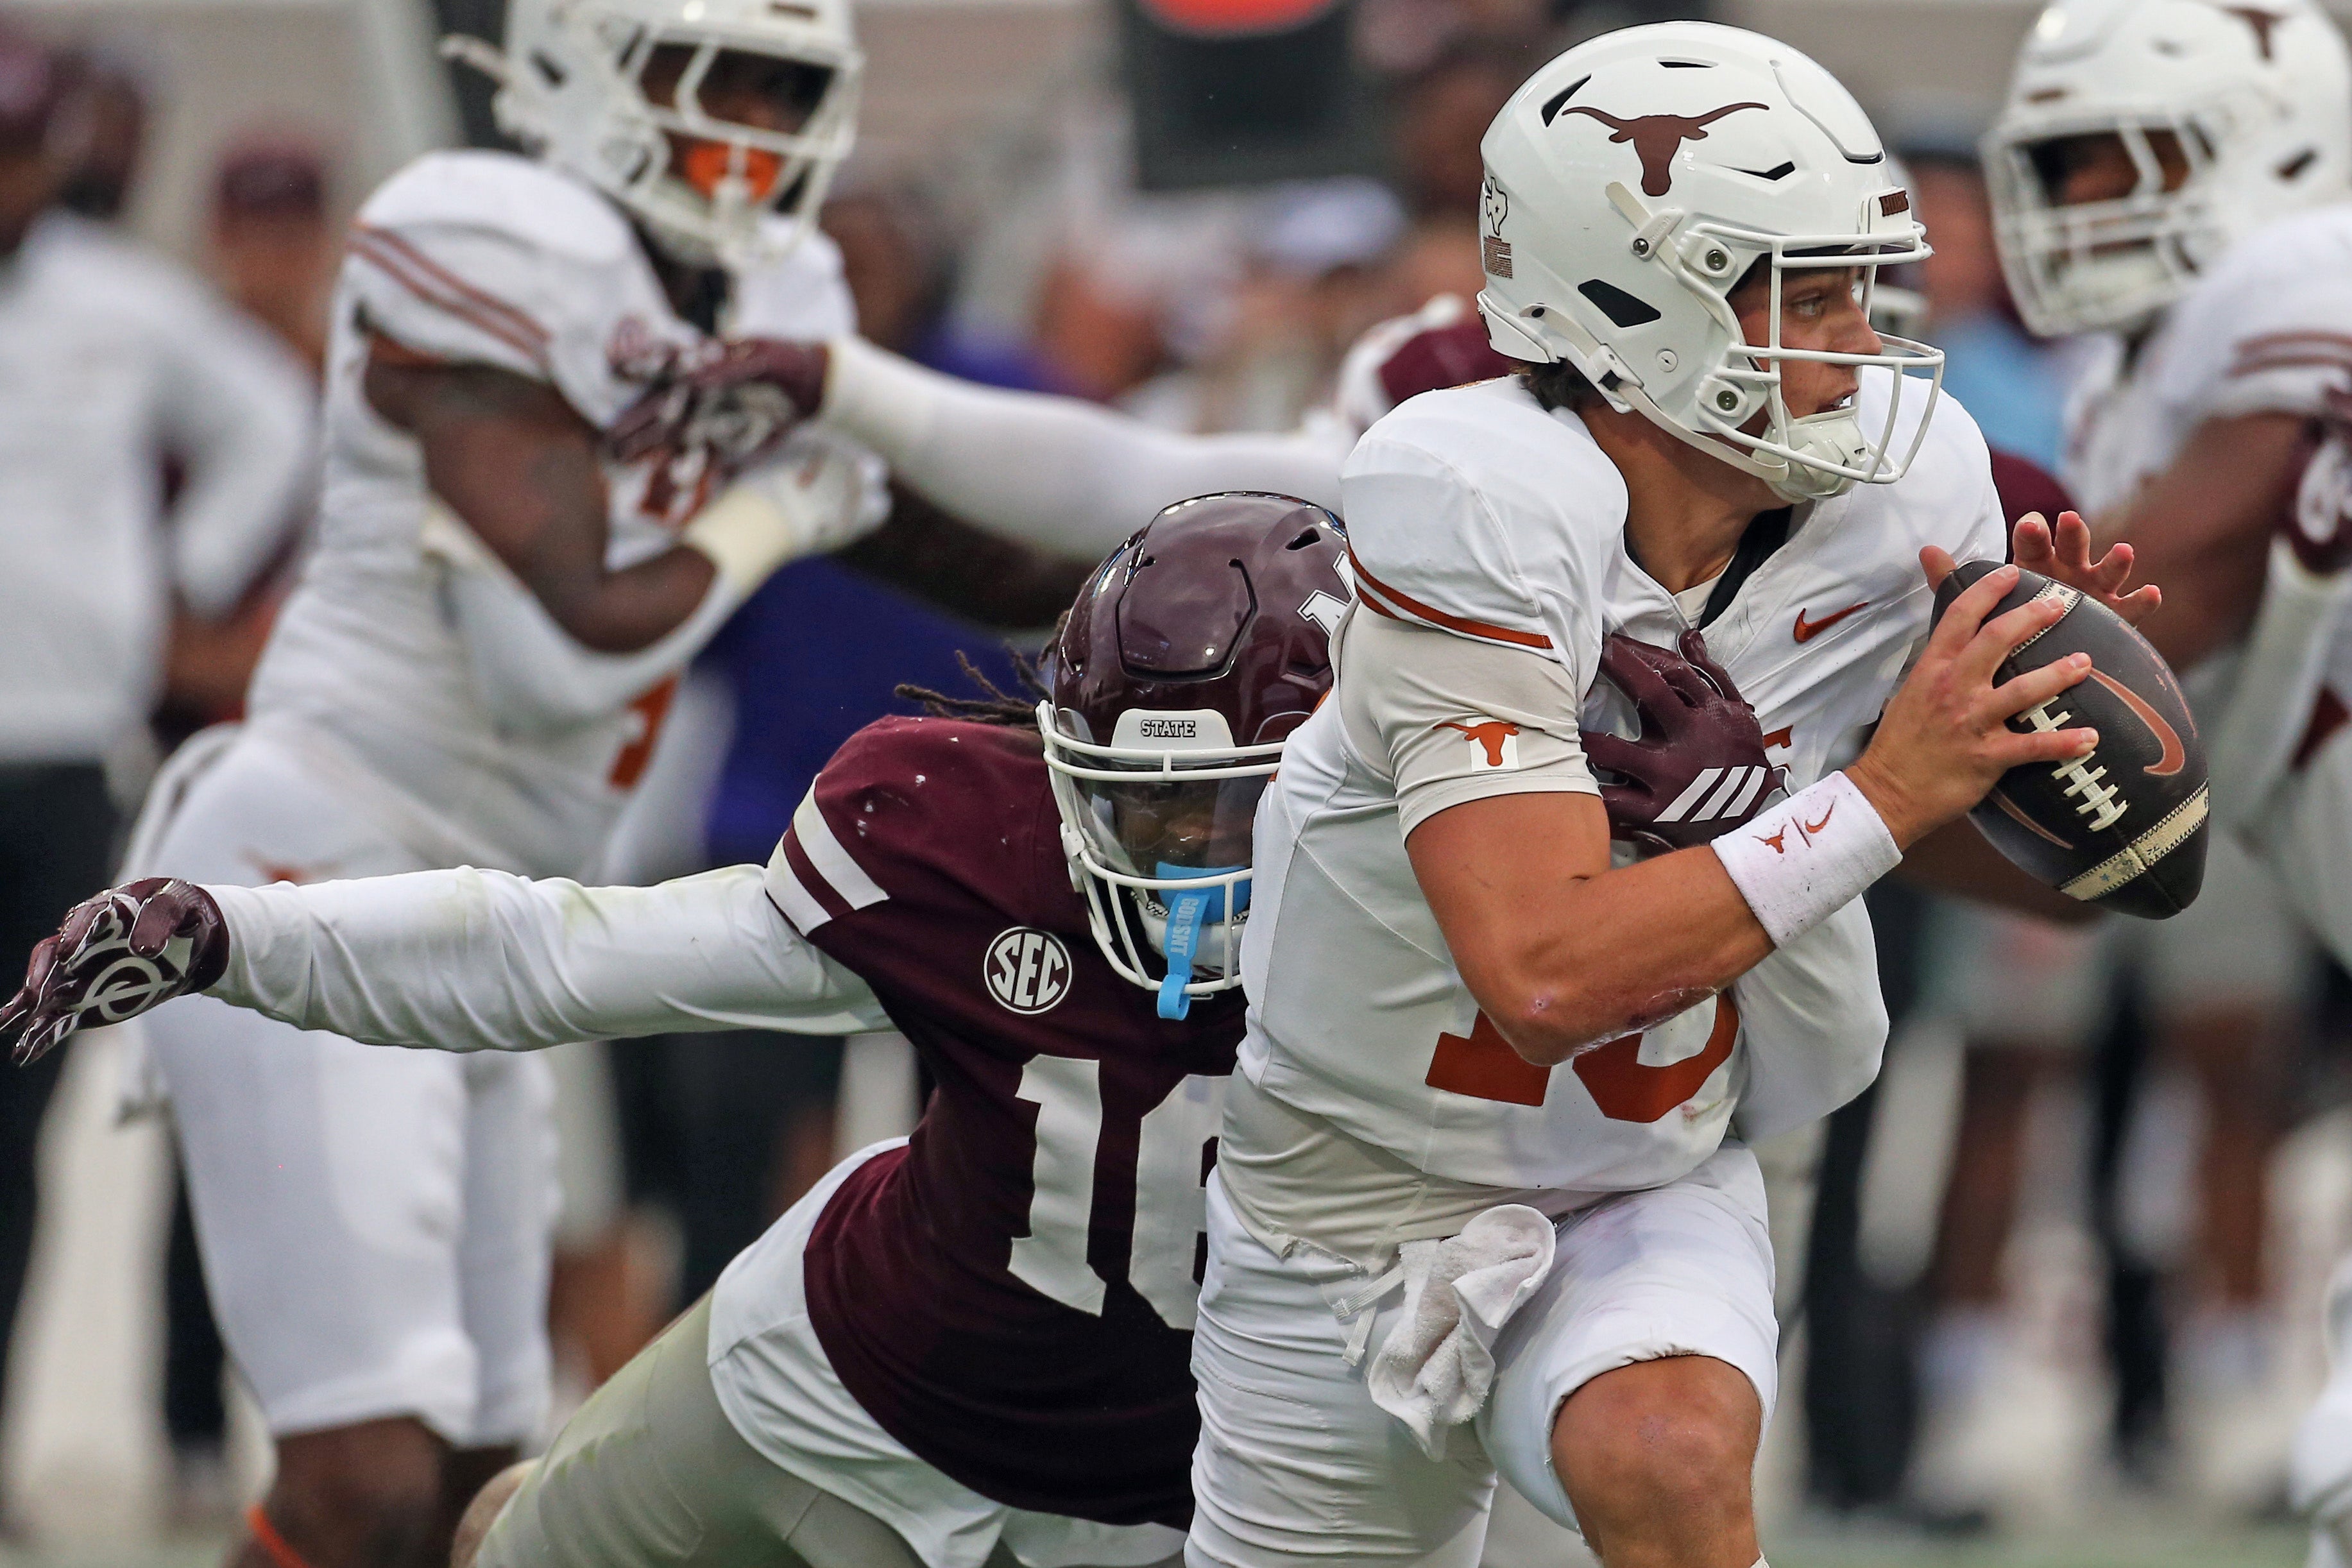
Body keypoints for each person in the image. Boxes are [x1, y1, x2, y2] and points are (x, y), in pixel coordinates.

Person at [1178, 22, 2158, 1567]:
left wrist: (2035, 758)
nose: (1863, 340)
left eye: (1862, 284)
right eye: (1811, 292)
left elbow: (2093, 882)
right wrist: (1883, 794)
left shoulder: (1905, 495)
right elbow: (1544, 972)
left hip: (1653, 1161)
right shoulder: (1477, 493)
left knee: (1673, 1455)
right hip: (1349, 1198)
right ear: (1632, 303)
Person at [9, 493, 1364, 1568]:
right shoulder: (968, 841)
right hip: (835, 1384)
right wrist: (251, 937)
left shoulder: (1467, 909)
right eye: (1141, 809)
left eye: (1228, 817)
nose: (1180, 866)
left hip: (1155, 1504)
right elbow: (567, 951)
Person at [105, 0, 899, 1561]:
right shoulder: (495, 239)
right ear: (590, 68)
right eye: (718, 76)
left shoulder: (770, 284)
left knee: (477, 1463)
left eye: (783, 85)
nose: (753, 121)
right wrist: (780, 510)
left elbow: (928, 500)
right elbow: (565, 647)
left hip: (495, 917)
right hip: (325, 859)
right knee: (367, 1482)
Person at [1981, 0, 2352, 1508]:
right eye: (2059, 169)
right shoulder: (2124, 375)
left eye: (2121, 161)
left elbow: (2162, 595)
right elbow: (2072, 850)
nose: (2078, 206)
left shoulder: (2304, 269)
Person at [0, 30, 313, 1515]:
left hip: (61, 749)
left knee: (19, 1120)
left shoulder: (122, 308)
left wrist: (169, 583)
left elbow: (271, 418)